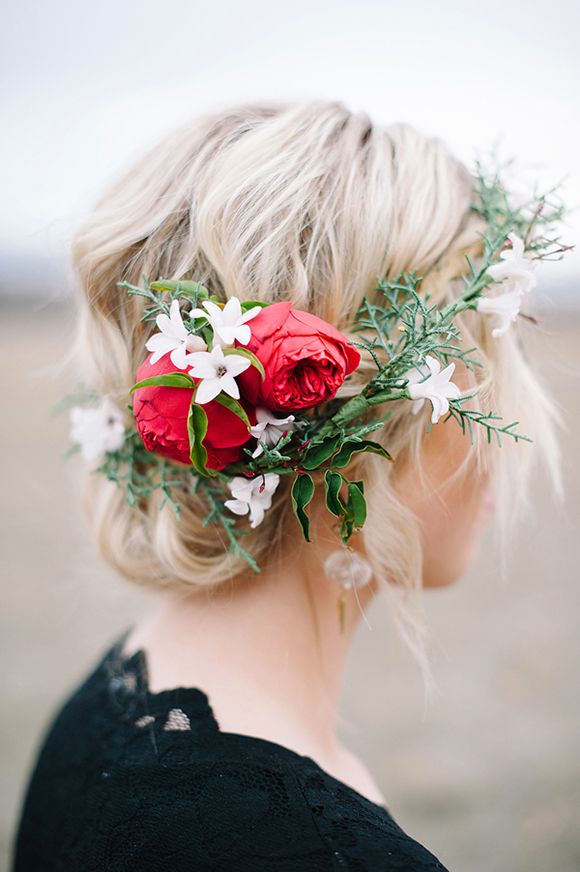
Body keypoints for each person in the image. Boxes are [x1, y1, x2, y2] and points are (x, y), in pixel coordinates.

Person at [13, 101, 562, 870]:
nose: (514, 431)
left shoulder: (115, 706)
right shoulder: (315, 852)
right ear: (376, 423)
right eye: (484, 370)